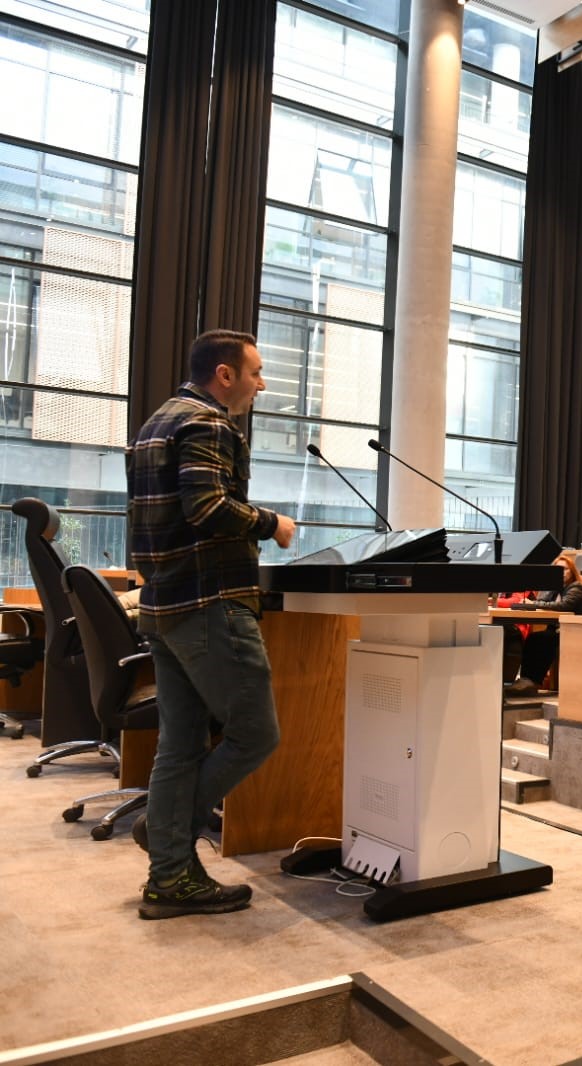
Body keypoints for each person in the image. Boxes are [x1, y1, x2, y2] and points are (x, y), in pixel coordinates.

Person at [127, 329, 296, 920]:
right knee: (256, 734)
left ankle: (169, 877)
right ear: (224, 375)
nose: (261, 383)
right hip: (210, 602)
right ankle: (167, 835)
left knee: (178, 747)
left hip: (165, 607)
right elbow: (208, 509)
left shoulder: (156, 422)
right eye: (255, 371)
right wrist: (270, 522)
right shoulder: (208, 423)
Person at [502, 555, 582, 697]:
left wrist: (534, 604)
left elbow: (563, 606)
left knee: (544, 640)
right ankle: (527, 681)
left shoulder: (576, 587)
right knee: (533, 638)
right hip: (558, 630)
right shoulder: (556, 588)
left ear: (572, 572)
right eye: (557, 570)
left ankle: (533, 682)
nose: (561, 573)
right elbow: (541, 601)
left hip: (577, 632)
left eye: (565, 569)